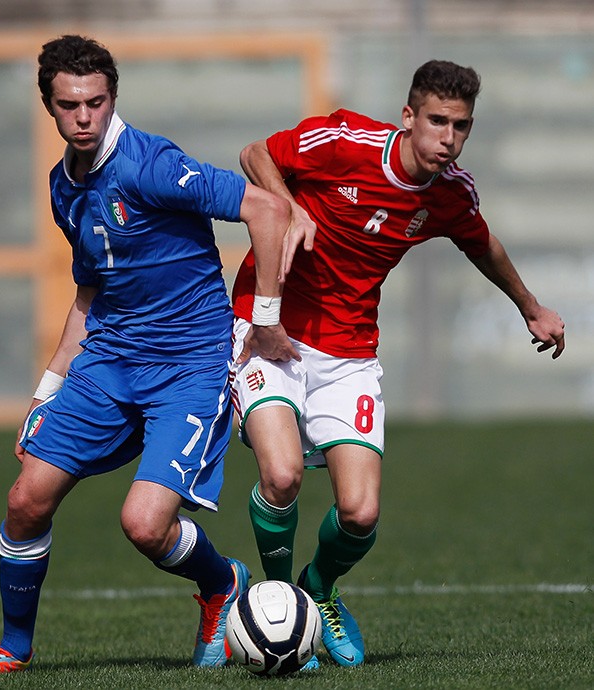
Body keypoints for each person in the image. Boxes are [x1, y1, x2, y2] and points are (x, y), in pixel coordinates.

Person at [0, 34, 296, 676]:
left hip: (187, 370)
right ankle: (13, 648)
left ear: (113, 98)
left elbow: (268, 210)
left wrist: (267, 323)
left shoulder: (151, 166)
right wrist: (47, 390)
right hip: (108, 364)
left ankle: (222, 584)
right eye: (69, 105)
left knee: (142, 525)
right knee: (25, 499)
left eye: (96, 102)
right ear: (49, 107)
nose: (84, 117)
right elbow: (90, 293)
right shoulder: (63, 185)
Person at [229, 59, 565, 668]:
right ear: (408, 117)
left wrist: (530, 306)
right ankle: (278, 598)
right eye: (437, 121)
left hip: (351, 350)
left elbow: (481, 242)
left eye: (461, 126)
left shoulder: (450, 193)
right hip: (268, 326)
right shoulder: (345, 141)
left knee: (360, 513)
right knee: (281, 477)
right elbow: (256, 155)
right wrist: (290, 207)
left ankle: (319, 589)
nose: (448, 137)